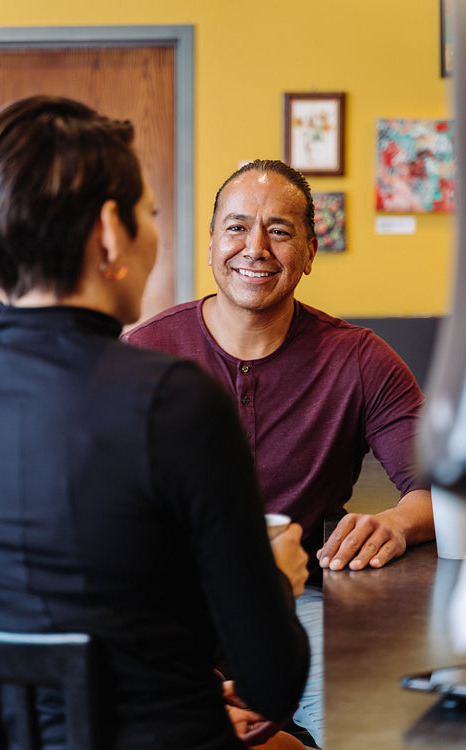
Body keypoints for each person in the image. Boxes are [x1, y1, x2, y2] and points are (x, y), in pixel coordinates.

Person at [0, 100, 311, 750]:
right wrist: (274, 579)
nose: (155, 236)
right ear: (109, 232)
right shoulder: (175, 401)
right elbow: (271, 684)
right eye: (151, 216)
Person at [121, 158, 435, 747]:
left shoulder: (360, 360)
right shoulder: (141, 353)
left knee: (369, 732)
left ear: (311, 251)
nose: (255, 247)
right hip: (161, 610)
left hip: (299, 601)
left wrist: (398, 521)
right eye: (237, 227)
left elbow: (445, 487)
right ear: (212, 243)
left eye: (280, 230)